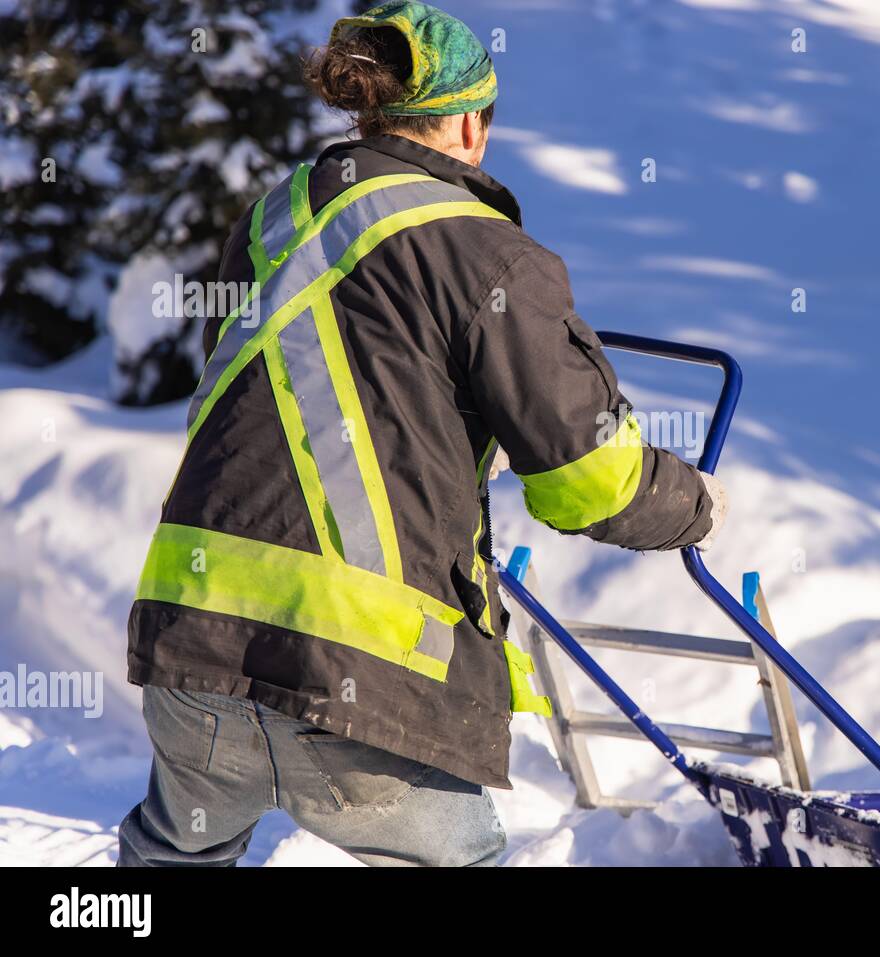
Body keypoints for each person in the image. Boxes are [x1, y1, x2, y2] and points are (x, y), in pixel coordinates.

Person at [117, 1, 726, 867]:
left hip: (193, 643)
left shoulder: (271, 220)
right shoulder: (491, 257)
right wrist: (693, 502)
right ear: (472, 125)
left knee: (171, 858)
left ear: (368, 110)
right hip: (359, 674)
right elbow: (588, 475)